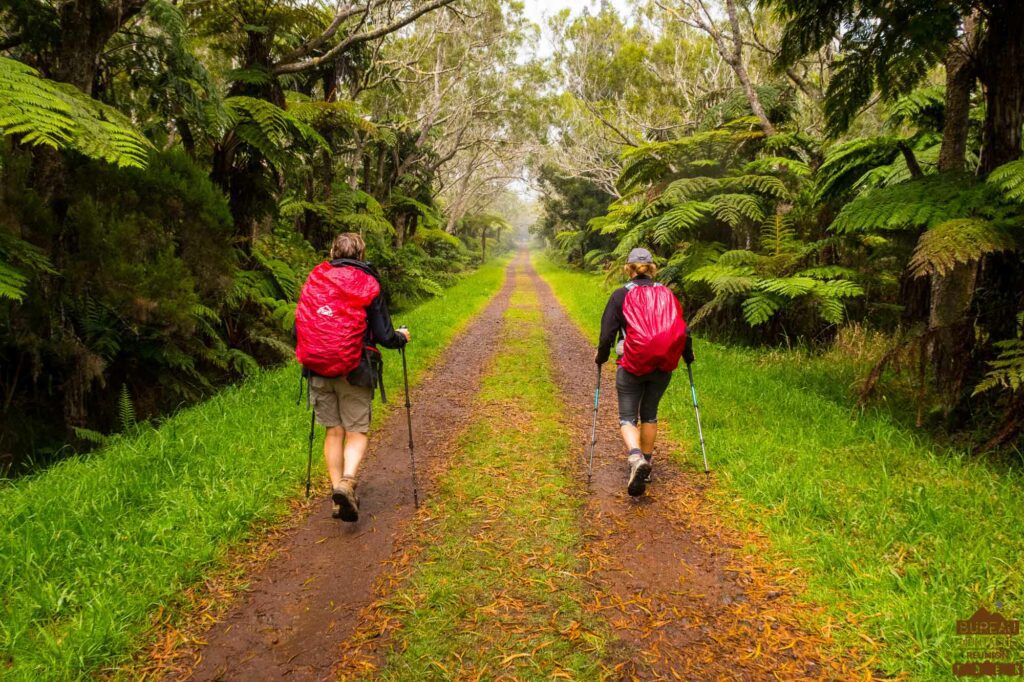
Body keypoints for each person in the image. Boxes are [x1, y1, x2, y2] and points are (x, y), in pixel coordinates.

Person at [295, 233, 410, 522]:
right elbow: (384, 335)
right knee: (356, 431)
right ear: (361, 254)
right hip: (354, 370)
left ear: (332, 251)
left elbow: (299, 329)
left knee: (333, 431)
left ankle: (337, 494)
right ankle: (347, 482)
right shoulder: (369, 283)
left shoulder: (316, 281)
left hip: (318, 368)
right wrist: (402, 337)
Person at [595, 248, 693, 497]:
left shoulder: (620, 295)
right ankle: (646, 466)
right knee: (650, 414)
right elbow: (682, 328)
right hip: (663, 365)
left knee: (627, 417)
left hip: (631, 364)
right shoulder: (667, 293)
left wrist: (601, 356)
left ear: (628, 269)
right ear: (652, 269)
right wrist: (687, 356)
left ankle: (637, 459)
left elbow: (607, 332)